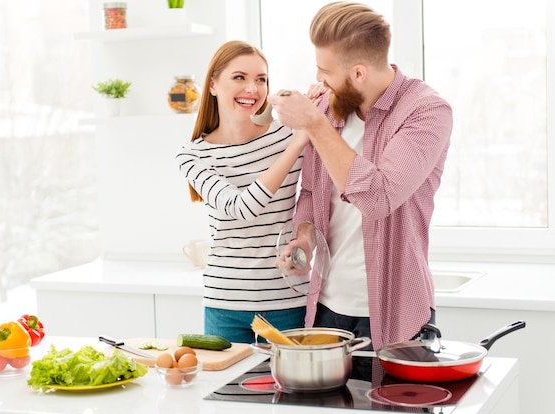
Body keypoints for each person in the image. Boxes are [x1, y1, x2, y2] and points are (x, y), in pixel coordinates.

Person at [269, 2, 453, 351]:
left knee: (389, 408)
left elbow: (378, 198)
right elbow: (310, 193)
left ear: (358, 73)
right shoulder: (329, 107)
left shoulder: (426, 111)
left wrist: (314, 124)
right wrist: (305, 240)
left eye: (326, 71)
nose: (320, 80)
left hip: (396, 313)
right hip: (325, 309)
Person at [175, 40, 313, 343]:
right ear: (213, 85)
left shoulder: (286, 134)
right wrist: (297, 144)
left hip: (287, 300)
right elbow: (241, 208)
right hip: (225, 304)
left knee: (290, 390)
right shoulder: (193, 156)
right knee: (228, 391)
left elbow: (316, 197)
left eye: (261, 79)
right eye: (240, 77)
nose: (252, 88)